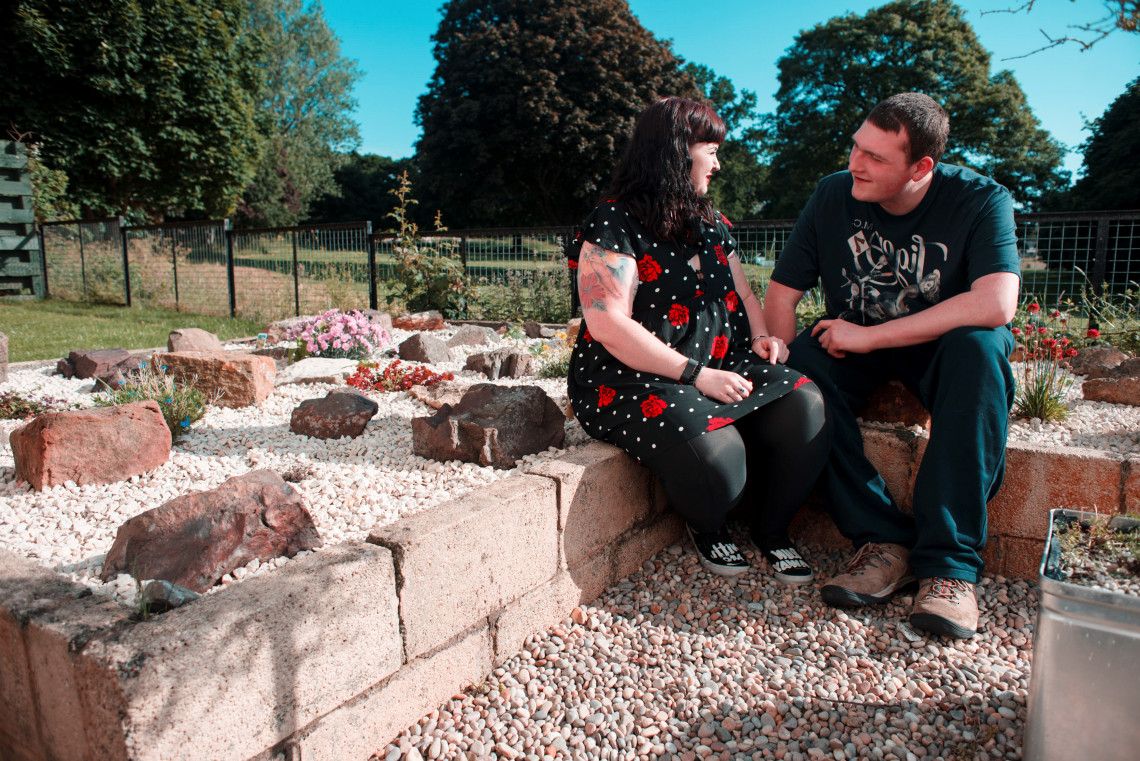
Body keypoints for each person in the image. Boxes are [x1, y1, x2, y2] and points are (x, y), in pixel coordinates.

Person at [763, 92, 1020, 638]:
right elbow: (783, 294)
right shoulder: (834, 193)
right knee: (799, 369)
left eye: (877, 158)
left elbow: (997, 303)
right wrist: (776, 362)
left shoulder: (980, 198)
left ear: (921, 167)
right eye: (857, 146)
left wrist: (873, 336)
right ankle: (881, 542)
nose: (856, 163)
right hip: (850, 344)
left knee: (982, 349)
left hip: (938, 346)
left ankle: (949, 568)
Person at [567, 96, 832, 584]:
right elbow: (606, 323)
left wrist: (763, 337)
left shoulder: (713, 222)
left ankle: (772, 532)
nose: (717, 161)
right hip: (633, 377)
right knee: (720, 460)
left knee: (806, 403)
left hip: (718, 366)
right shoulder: (615, 221)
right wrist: (697, 375)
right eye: (710, 148)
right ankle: (708, 525)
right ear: (675, 150)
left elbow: (746, 293)